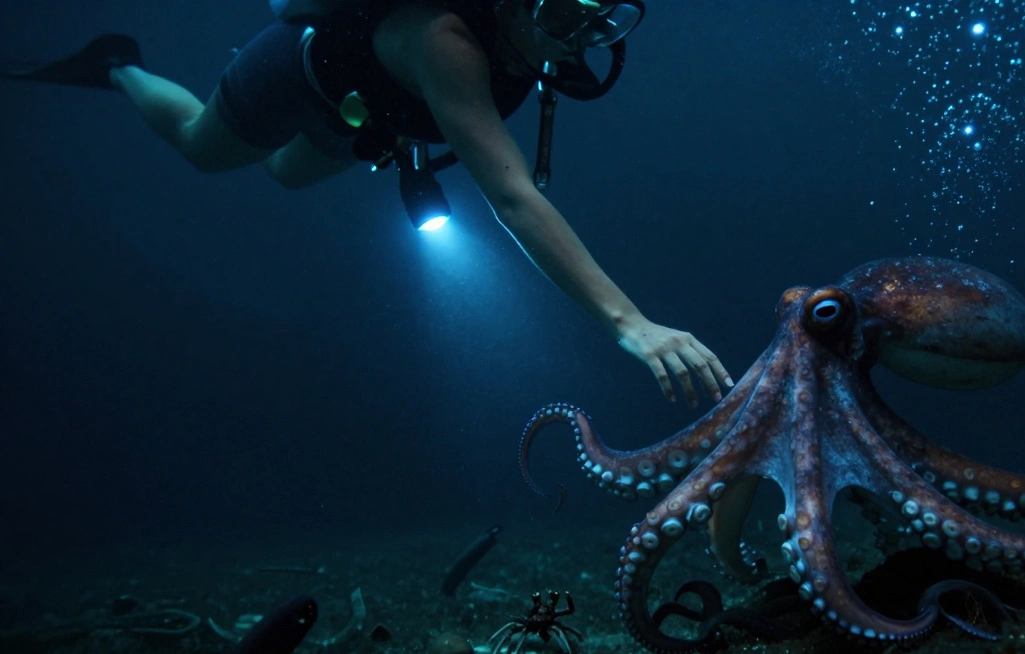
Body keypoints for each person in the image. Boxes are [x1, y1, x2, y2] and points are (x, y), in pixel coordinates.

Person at [4, 0, 733, 406]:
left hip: (365, 116)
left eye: (593, 21)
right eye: (560, 16)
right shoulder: (447, 40)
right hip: (299, 76)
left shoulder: (534, 48)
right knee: (204, 147)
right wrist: (629, 322)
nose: (574, 40)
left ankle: (203, 88)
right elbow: (510, 196)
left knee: (285, 175)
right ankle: (117, 62)